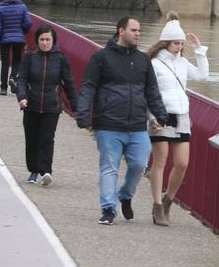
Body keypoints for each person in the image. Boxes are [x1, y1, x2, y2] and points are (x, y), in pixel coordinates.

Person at [77, 15, 169, 225]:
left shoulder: (143, 60)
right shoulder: (101, 58)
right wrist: (83, 112)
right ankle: (108, 209)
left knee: (138, 165)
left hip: (137, 125)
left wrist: (161, 115)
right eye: (134, 30)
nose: (138, 34)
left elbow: (152, 91)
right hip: (108, 124)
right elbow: (89, 86)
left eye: (139, 31)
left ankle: (125, 195)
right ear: (121, 31)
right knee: (109, 167)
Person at [145, 13, 209, 226]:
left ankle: (168, 200)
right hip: (160, 114)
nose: (179, 46)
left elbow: (202, 76)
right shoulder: (154, 63)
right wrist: (152, 116)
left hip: (182, 115)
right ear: (165, 42)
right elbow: (147, 92)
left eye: (181, 43)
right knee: (160, 160)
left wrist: (199, 51)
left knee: (182, 163)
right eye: (175, 42)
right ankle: (157, 206)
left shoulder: (182, 62)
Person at [14, 24, 77, 187]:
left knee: (47, 139)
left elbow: (69, 83)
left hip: (52, 106)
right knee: (32, 138)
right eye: (42, 39)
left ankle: (46, 171)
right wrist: (22, 97)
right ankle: (33, 170)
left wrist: (77, 107)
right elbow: (22, 79)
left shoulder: (61, 59)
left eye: (48, 39)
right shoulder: (30, 57)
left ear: (53, 40)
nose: (45, 42)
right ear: (37, 41)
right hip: (31, 105)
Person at [0, 0, 32, 96]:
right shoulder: (22, 7)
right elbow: (28, 23)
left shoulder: (0, 9)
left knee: (5, 63)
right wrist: (23, 31)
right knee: (16, 61)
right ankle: (13, 77)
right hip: (18, 39)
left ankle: (3, 88)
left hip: (5, 40)